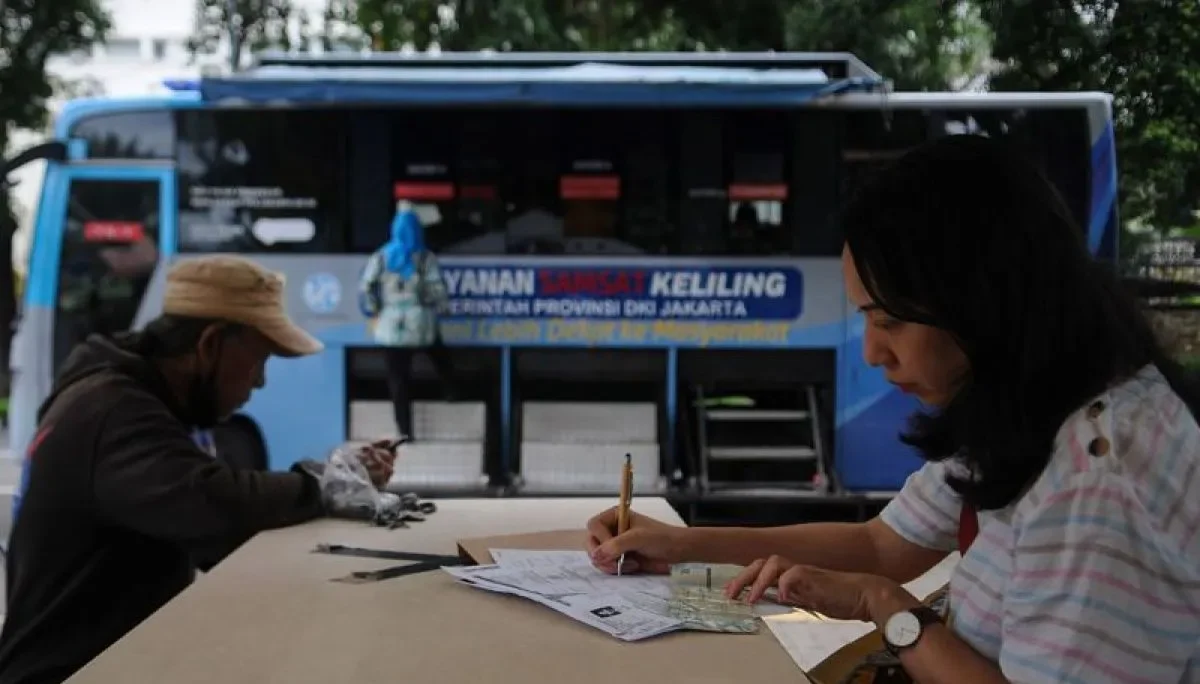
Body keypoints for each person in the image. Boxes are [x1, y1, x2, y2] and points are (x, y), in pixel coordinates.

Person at [586, 135, 1200, 682]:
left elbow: (882, 575)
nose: (874, 352)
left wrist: (889, 611)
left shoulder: (1100, 475)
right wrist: (682, 544)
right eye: (865, 318)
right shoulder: (1025, 406)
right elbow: (883, 544)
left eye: (892, 322)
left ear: (986, 303)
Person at [0, 255, 397, 684]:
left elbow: (214, 542)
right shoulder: (115, 411)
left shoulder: (133, 400)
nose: (259, 382)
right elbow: (214, 505)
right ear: (209, 345)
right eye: (258, 360)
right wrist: (328, 484)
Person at [360, 204, 458, 440]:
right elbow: (437, 289)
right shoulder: (425, 257)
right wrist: (443, 309)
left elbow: (366, 287)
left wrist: (375, 309)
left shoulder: (382, 256)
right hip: (420, 322)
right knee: (439, 353)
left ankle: (405, 430)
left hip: (390, 327)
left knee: (398, 380)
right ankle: (451, 391)